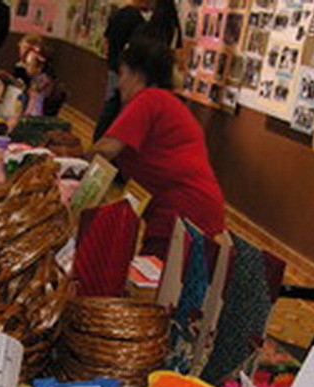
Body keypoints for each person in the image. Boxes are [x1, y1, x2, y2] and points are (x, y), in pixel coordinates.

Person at [90, 37, 225, 260]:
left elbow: (106, 150)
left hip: (183, 214)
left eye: (122, 74)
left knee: (155, 288)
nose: (120, 83)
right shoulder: (165, 101)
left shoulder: (148, 100)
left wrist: (69, 163)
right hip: (194, 211)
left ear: (138, 75)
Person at [93, 0, 149, 140]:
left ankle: (99, 138)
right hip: (125, 69)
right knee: (115, 105)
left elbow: (106, 40)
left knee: (110, 102)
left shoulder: (117, 14)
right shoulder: (138, 20)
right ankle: (105, 138)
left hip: (113, 65)